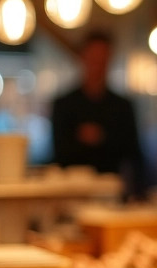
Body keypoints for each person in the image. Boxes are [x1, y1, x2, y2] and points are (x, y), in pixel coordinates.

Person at [50, 32, 145, 196]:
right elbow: (58, 152)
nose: (98, 64)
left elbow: (134, 153)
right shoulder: (64, 104)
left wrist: (101, 137)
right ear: (83, 58)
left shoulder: (122, 106)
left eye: (103, 59)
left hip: (112, 192)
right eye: (93, 58)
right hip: (70, 192)